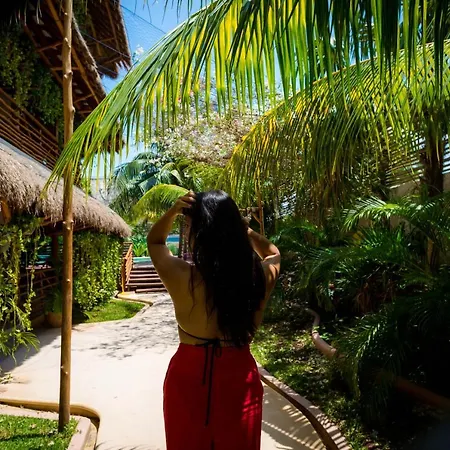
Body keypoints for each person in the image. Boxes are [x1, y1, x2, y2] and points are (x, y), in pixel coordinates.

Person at [147, 190, 280, 450]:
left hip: (188, 378)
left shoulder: (182, 276)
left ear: (200, 234)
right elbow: (273, 253)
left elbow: (155, 242)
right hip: (239, 378)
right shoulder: (259, 277)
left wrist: (173, 211)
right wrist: (245, 230)